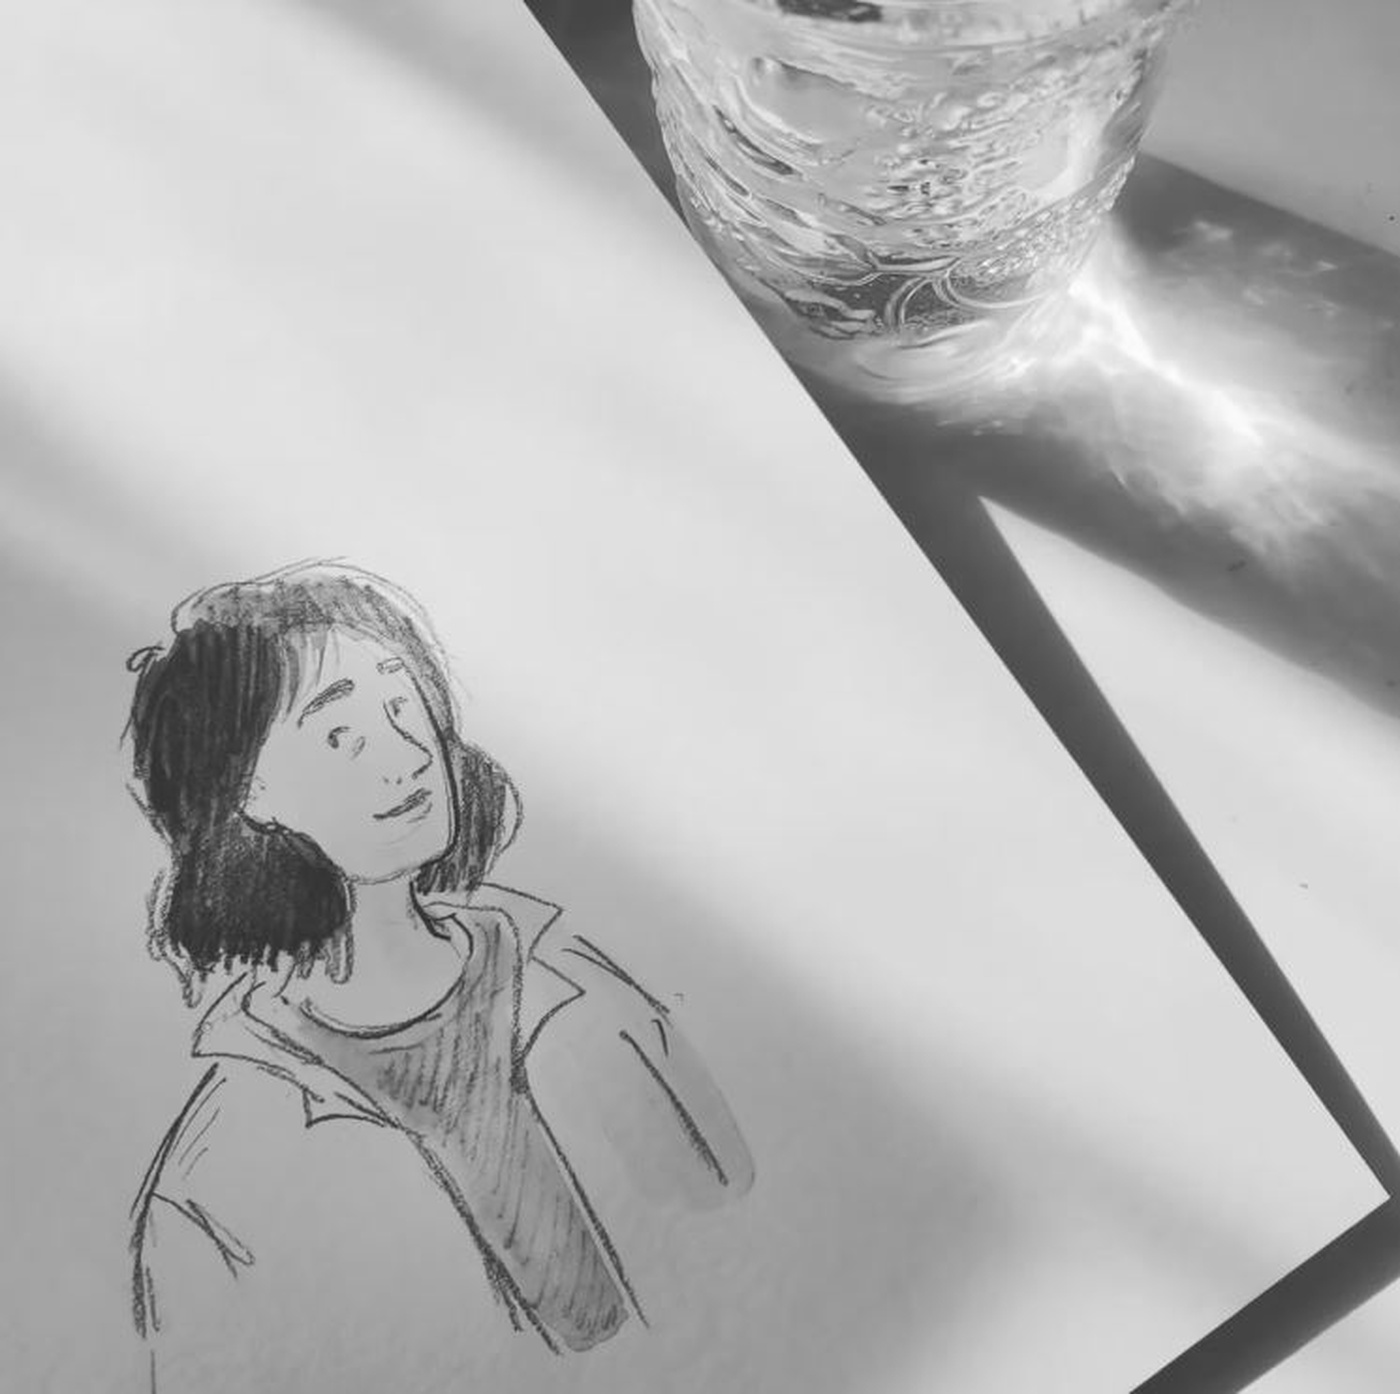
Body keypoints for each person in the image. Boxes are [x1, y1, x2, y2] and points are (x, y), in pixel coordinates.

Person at [126, 562, 751, 1391]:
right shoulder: (219, 1166)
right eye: (340, 735)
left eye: (403, 703)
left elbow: (747, 1242)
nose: (408, 755)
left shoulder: (570, 981)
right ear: (248, 792)